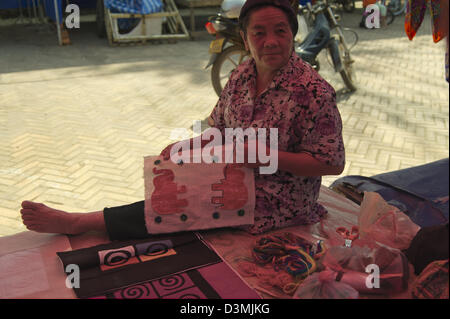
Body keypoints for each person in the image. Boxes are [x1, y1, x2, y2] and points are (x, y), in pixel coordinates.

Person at [20, 0, 345, 240]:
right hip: (234, 175)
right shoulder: (242, 73)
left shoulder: (314, 92)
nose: (270, 41)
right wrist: (187, 146)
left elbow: (331, 163)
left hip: (278, 200)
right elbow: (217, 126)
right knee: (173, 182)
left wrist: (263, 156)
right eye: (259, 33)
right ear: (245, 40)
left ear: (293, 35)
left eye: (280, 31)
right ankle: (100, 220)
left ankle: (79, 224)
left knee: (182, 202)